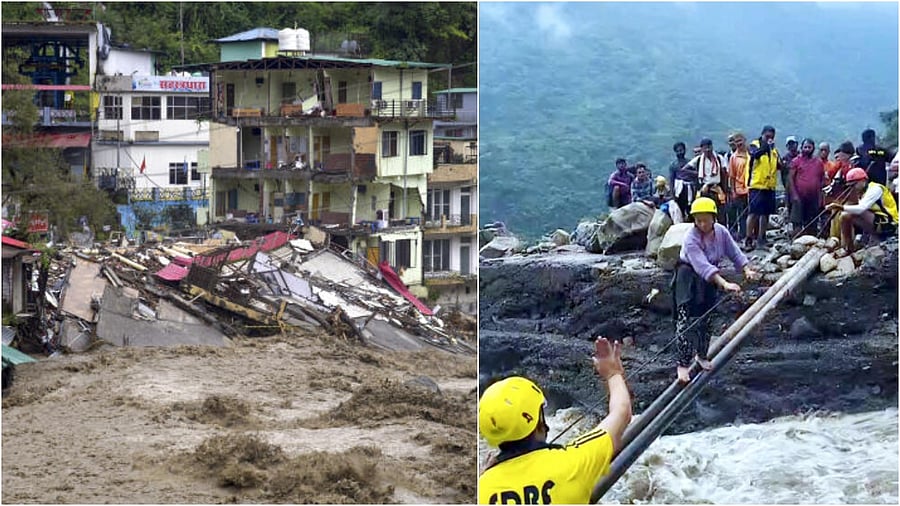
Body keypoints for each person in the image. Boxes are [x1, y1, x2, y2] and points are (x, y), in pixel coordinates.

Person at [478, 337, 632, 505]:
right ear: (537, 424)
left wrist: (484, 477)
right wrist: (613, 373)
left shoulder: (483, 489)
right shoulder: (572, 463)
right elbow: (621, 412)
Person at [674, 197, 758, 383]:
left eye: (705, 219)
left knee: (707, 316)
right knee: (686, 319)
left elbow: (734, 252)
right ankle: (682, 365)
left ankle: (702, 355)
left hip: (711, 277)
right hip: (689, 275)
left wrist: (746, 269)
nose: (702, 224)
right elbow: (701, 265)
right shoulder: (691, 238)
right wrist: (725, 283)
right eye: (698, 220)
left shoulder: (721, 232)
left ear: (714, 217)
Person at [826, 168, 898, 252]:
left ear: (863, 181)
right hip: (877, 221)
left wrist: (840, 207)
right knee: (845, 216)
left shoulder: (875, 189)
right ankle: (848, 248)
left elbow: (861, 209)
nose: (853, 188)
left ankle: (855, 245)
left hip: (889, 224)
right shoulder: (861, 192)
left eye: (854, 184)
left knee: (849, 212)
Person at [745, 125, 781, 250]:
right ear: (762, 134)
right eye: (767, 136)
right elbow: (755, 155)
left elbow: (778, 165)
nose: (770, 139)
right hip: (756, 184)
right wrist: (766, 146)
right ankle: (749, 239)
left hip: (769, 186)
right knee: (753, 212)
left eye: (772, 137)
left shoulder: (774, 151)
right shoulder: (754, 144)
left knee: (765, 214)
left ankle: (762, 239)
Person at [684, 138, 728, 224]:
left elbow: (725, 173)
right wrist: (697, 174)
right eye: (705, 148)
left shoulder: (719, 158)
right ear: (702, 149)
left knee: (720, 214)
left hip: (717, 189)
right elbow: (684, 169)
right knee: (704, 211)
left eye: (709, 147)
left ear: (712, 147)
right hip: (704, 189)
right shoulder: (699, 159)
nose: (708, 150)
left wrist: (725, 189)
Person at [789, 138, 826, 236]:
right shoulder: (796, 161)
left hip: (813, 197)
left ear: (813, 148)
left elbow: (822, 179)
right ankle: (796, 242)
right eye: (805, 147)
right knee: (797, 221)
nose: (807, 149)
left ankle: (811, 242)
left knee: (812, 222)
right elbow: (790, 179)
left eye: (809, 147)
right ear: (801, 148)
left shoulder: (818, 162)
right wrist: (794, 195)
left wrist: (820, 195)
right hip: (799, 196)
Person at [726, 132, 750, 241]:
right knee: (742, 214)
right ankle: (742, 236)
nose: (739, 143)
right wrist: (733, 191)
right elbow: (732, 176)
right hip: (740, 190)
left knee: (751, 213)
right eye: (737, 142)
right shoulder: (733, 157)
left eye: (740, 140)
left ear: (745, 140)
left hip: (751, 188)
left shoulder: (751, 154)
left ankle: (750, 235)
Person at [669, 142, 697, 217]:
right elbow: (671, 180)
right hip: (679, 190)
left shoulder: (690, 163)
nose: (680, 152)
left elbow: (696, 175)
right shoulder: (673, 165)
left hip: (690, 189)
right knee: (680, 209)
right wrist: (672, 195)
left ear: (685, 150)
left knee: (691, 208)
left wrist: (688, 172)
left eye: (681, 150)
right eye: (677, 151)